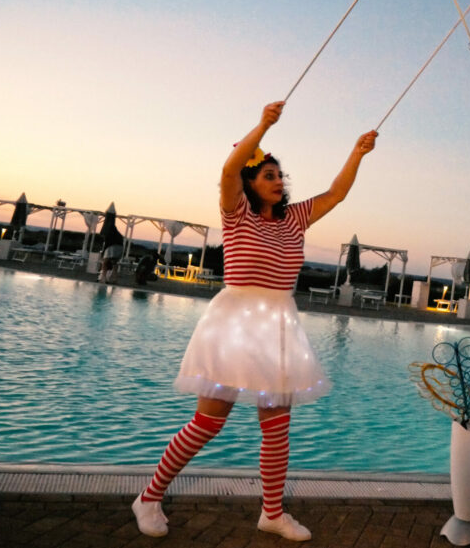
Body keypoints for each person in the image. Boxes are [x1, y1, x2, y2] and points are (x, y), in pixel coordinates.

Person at [132, 101, 377, 540]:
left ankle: (271, 513)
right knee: (208, 421)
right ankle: (148, 496)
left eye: (281, 175)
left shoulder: (296, 218)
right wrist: (263, 125)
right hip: (235, 324)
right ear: (251, 183)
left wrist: (357, 153)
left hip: (278, 324)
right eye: (269, 175)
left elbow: (336, 193)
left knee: (277, 425)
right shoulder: (236, 212)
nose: (279, 181)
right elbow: (228, 171)